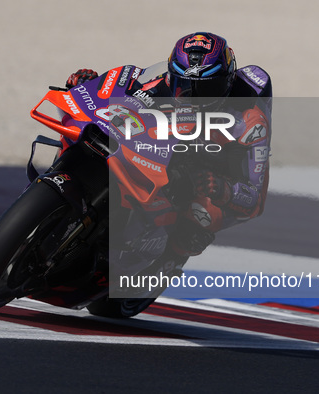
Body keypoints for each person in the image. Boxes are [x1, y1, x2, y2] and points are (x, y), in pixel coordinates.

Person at [66, 32, 272, 258]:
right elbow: (125, 96)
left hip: (204, 176)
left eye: (205, 89)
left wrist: (223, 188)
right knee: (88, 135)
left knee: (195, 226)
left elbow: (256, 201)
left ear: (227, 82)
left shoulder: (250, 122)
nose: (192, 96)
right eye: (182, 85)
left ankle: (157, 269)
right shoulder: (162, 84)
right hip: (156, 151)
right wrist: (89, 87)